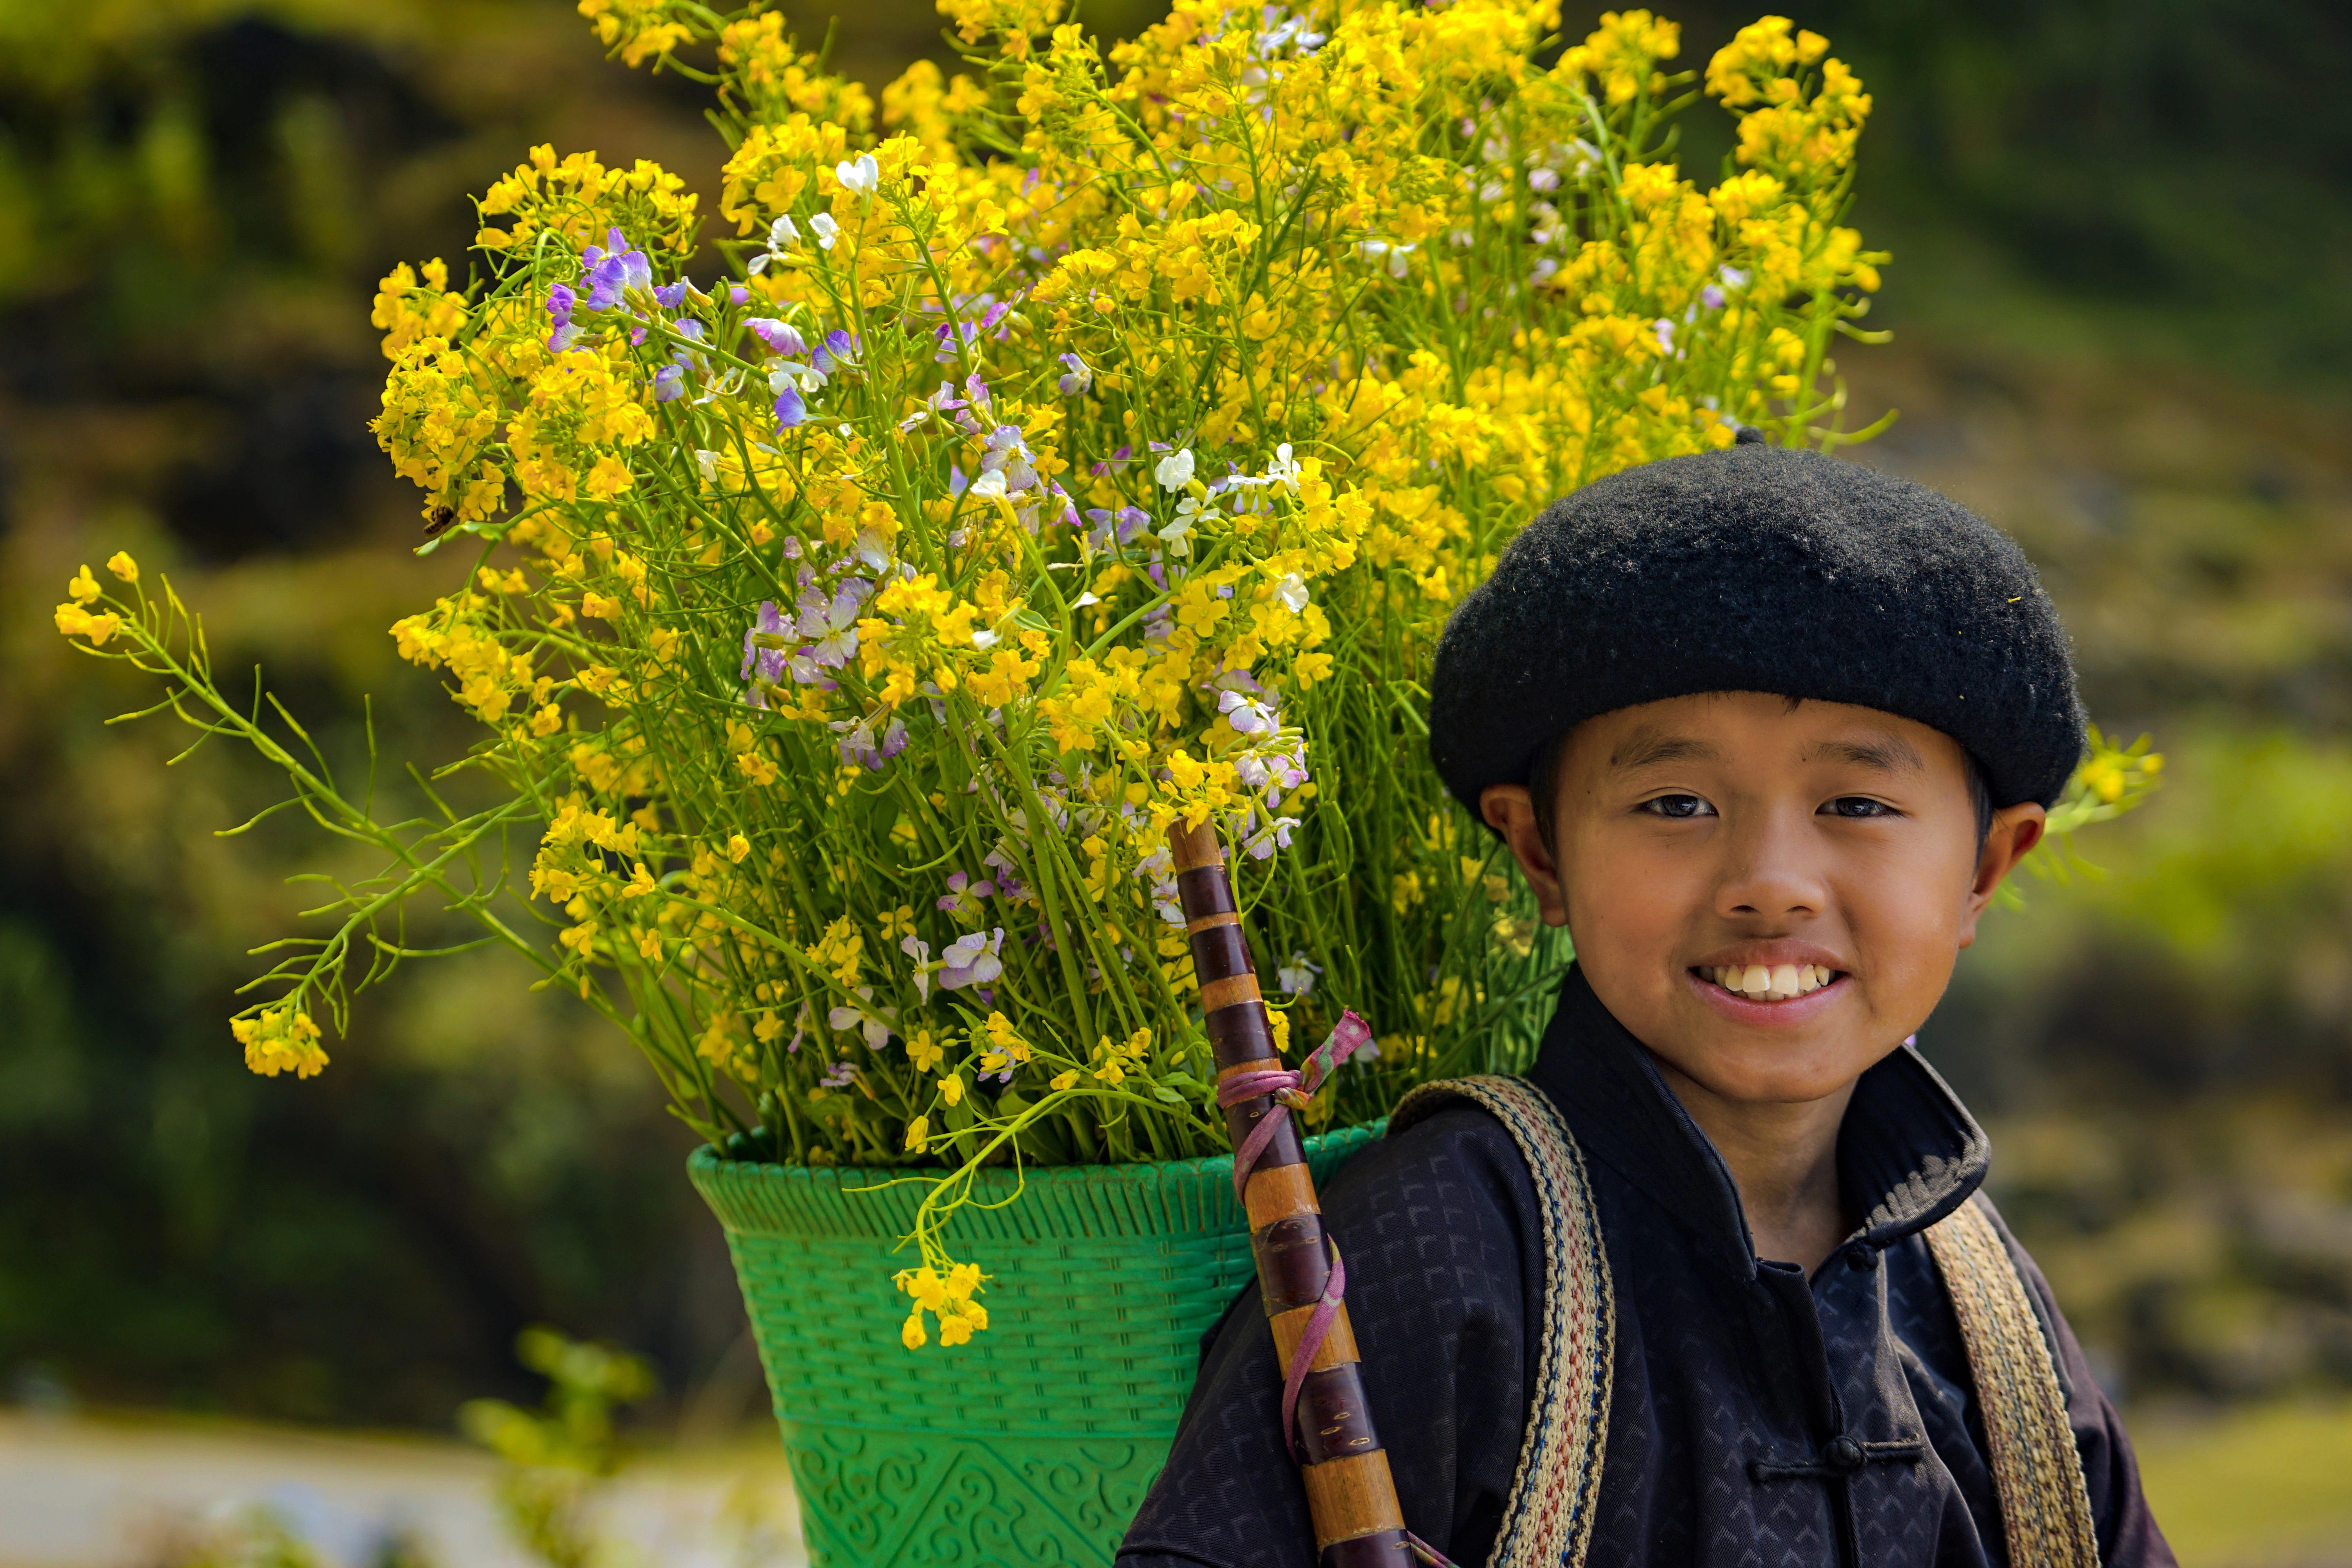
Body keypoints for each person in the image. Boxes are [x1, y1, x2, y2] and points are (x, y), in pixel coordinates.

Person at [1117, 440, 2176, 1568]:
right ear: (1541, 852)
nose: (1771, 881)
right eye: (1676, 801)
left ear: (1985, 869)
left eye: (1857, 804)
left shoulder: (1987, 1308)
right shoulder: (1438, 1250)